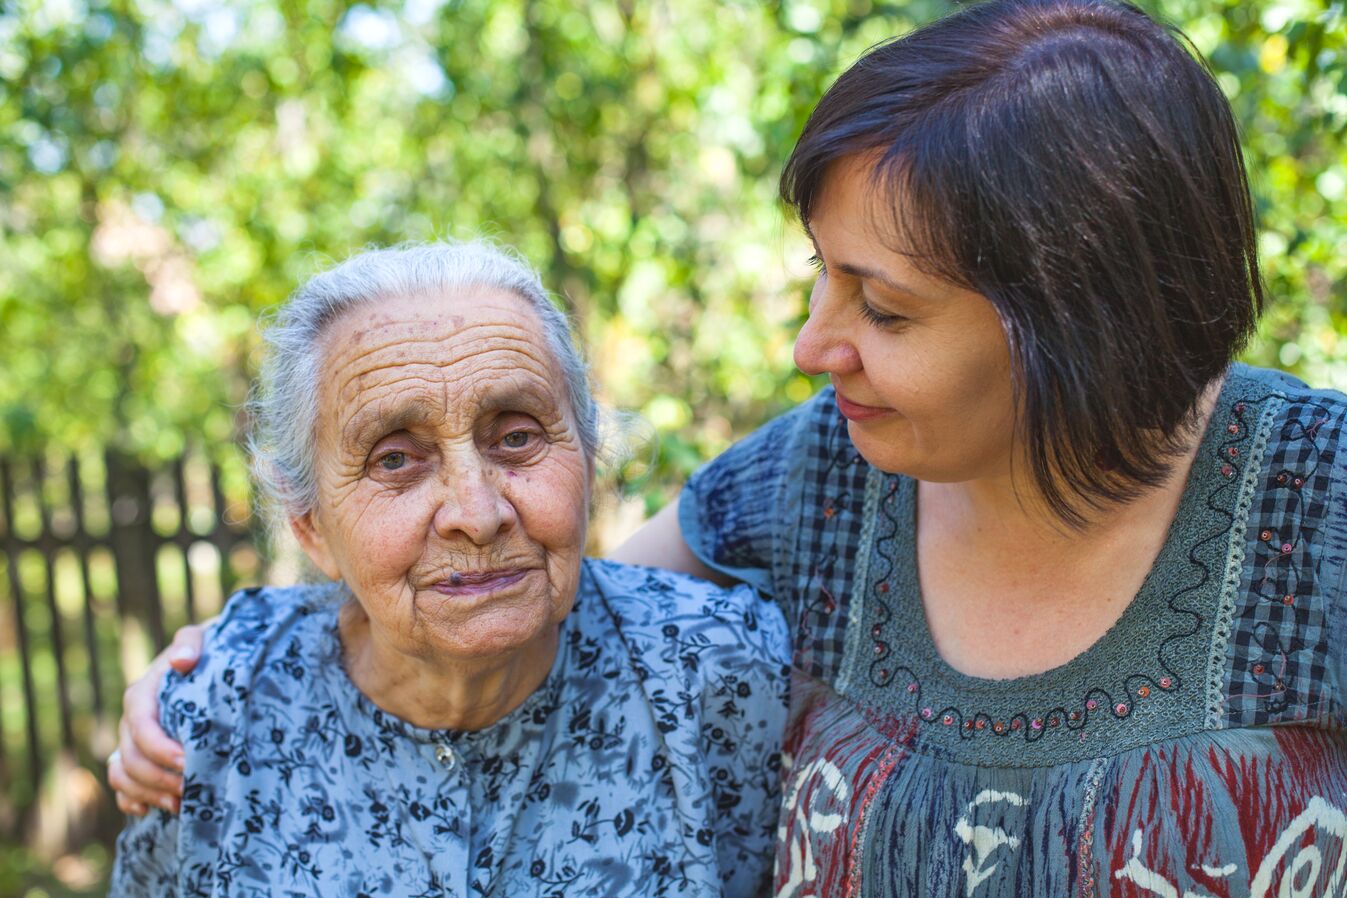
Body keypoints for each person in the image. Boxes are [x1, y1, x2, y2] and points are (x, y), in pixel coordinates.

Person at [113, 0, 1347, 894]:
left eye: (885, 308)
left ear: (1081, 317)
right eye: (823, 279)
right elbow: (526, 593)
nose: (815, 346)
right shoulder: (822, 479)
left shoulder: (1319, 505)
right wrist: (230, 666)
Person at [108, 242, 789, 897]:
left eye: (517, 437)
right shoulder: (211, 714)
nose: (477, 511)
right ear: (309, 525)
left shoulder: (723, 672)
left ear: (587, 460)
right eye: (395, 460)